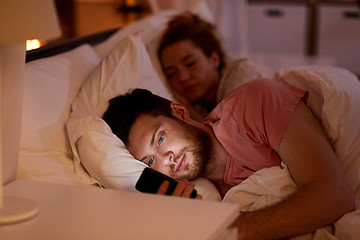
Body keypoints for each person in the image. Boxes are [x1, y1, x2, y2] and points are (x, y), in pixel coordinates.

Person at [102, 78, 355, 239]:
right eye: (149, 161)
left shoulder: (253, 104)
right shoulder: (198, 195)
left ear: (179, 112)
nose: (165, 159)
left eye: (159, 139)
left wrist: (225, 229)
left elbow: (335, 195)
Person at [157, 12, 273, 121]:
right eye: (171, 73)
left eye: (190, 63)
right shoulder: (203, 108)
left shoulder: (241, 73)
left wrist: (189, 111)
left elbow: (236, 138)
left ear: (214, 59)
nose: (183, 78)